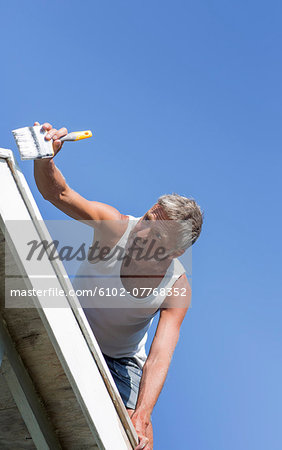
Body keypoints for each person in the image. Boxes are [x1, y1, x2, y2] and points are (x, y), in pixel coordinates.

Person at [33, 121, 203, 450]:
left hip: (120, 361)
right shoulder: (115, 228)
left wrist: (142, 415)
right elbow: (60, 193)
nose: (141, 233)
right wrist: (45, 159)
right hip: (72, 319)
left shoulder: (176, 288)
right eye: (147, 220)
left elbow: (159, 357)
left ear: (176, 250)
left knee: (138, 440)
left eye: (155, 236)